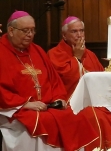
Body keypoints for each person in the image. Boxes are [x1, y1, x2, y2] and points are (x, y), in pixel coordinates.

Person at [0, 11, 99, 151]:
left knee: (74, 117)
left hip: (46, 107)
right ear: (11, 30)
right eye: (25, 30)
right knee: (42, 122)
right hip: (16, 109)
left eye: (32, 30)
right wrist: (26, 104)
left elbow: (55, 80)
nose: (30, 34)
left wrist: (59, 98)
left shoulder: (37, 50)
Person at [48, 16, 111, 150]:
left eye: (81, 31)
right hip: (72, 102)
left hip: (96, 101)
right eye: (74, 31)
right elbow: (67, 79)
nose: (79, 35)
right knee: (99, 118)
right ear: (64, 35)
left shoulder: (90, 54)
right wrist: (77, 58)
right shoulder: (54, 54)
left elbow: (102, 79)